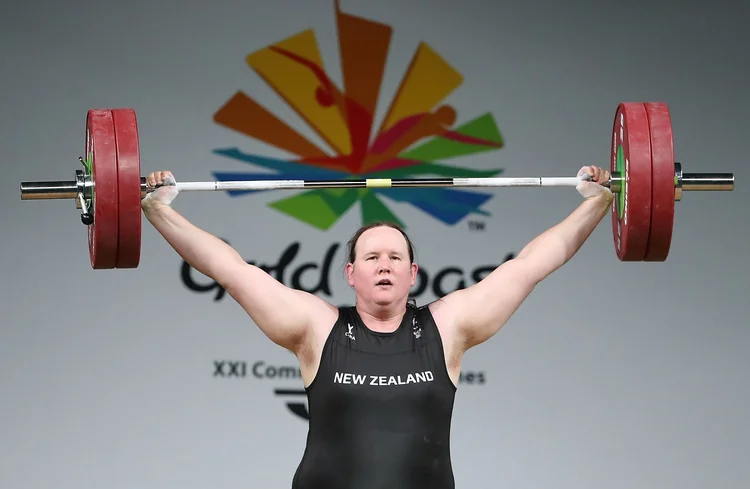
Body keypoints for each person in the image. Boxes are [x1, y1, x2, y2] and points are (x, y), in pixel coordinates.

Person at [141, 165, 612, 489]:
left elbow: (529, 265)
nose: (384, 266)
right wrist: (157, 208)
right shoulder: (316, 329)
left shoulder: (447, 327)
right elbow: (231, 269)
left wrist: (598, 201)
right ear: (350, 274)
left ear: (413, 274)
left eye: (395, 258)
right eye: (371, 257)